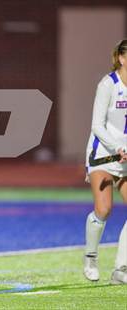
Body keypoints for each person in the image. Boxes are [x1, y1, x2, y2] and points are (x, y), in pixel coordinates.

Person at [84, 39, 127, 284]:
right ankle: (90, 256)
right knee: (104, 209)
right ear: (121, 58)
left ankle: (121, 270)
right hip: (103, 154)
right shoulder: (108, 84)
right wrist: (118, 147)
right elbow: (97, 126)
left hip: (125, 156)